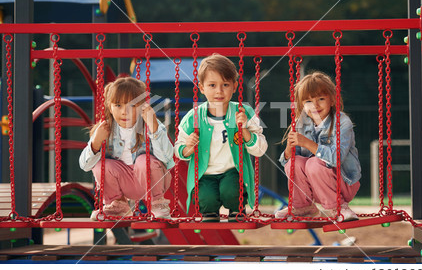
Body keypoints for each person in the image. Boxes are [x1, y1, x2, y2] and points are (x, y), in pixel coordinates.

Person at [175, 54, 268, 222]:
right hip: (205, 174)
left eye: (225, 84)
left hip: (232, 172)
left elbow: (261, 149)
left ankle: (237, 210)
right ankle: (210, 213)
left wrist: (246, 131)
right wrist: (188, 147)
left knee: (231, 190)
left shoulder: (244, 113)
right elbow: (179, 150)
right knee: (206, 199)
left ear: (234, 86)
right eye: (212, 85)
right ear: (201, 87)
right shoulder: (193, 117)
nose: (219, 91)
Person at [79, 77, 174, 220]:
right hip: (124, 184)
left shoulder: (150, 124)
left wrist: (154, 128)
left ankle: (157, 204)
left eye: (132, 105)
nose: (125, 111)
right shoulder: (105, 129)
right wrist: (96, 143)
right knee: (100, 165)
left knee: (143, 160)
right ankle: (118, 205)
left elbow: (167, 158)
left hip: (151, 180)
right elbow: (85, 165)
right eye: (118, 105)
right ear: (109, 106)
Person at [276, 71, 361, 222]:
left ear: (333, 100)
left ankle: (339, 207)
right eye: (308, 101)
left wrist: (307, 143)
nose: (314, 105)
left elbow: (335, 159)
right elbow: (287, 163)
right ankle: (303, 207)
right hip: (314, 187)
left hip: (343, 184)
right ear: (302, 104)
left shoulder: (342, 122)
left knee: (314, 163)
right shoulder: (301, 123)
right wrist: (289, 149)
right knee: (294, 163)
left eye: (321, 99)